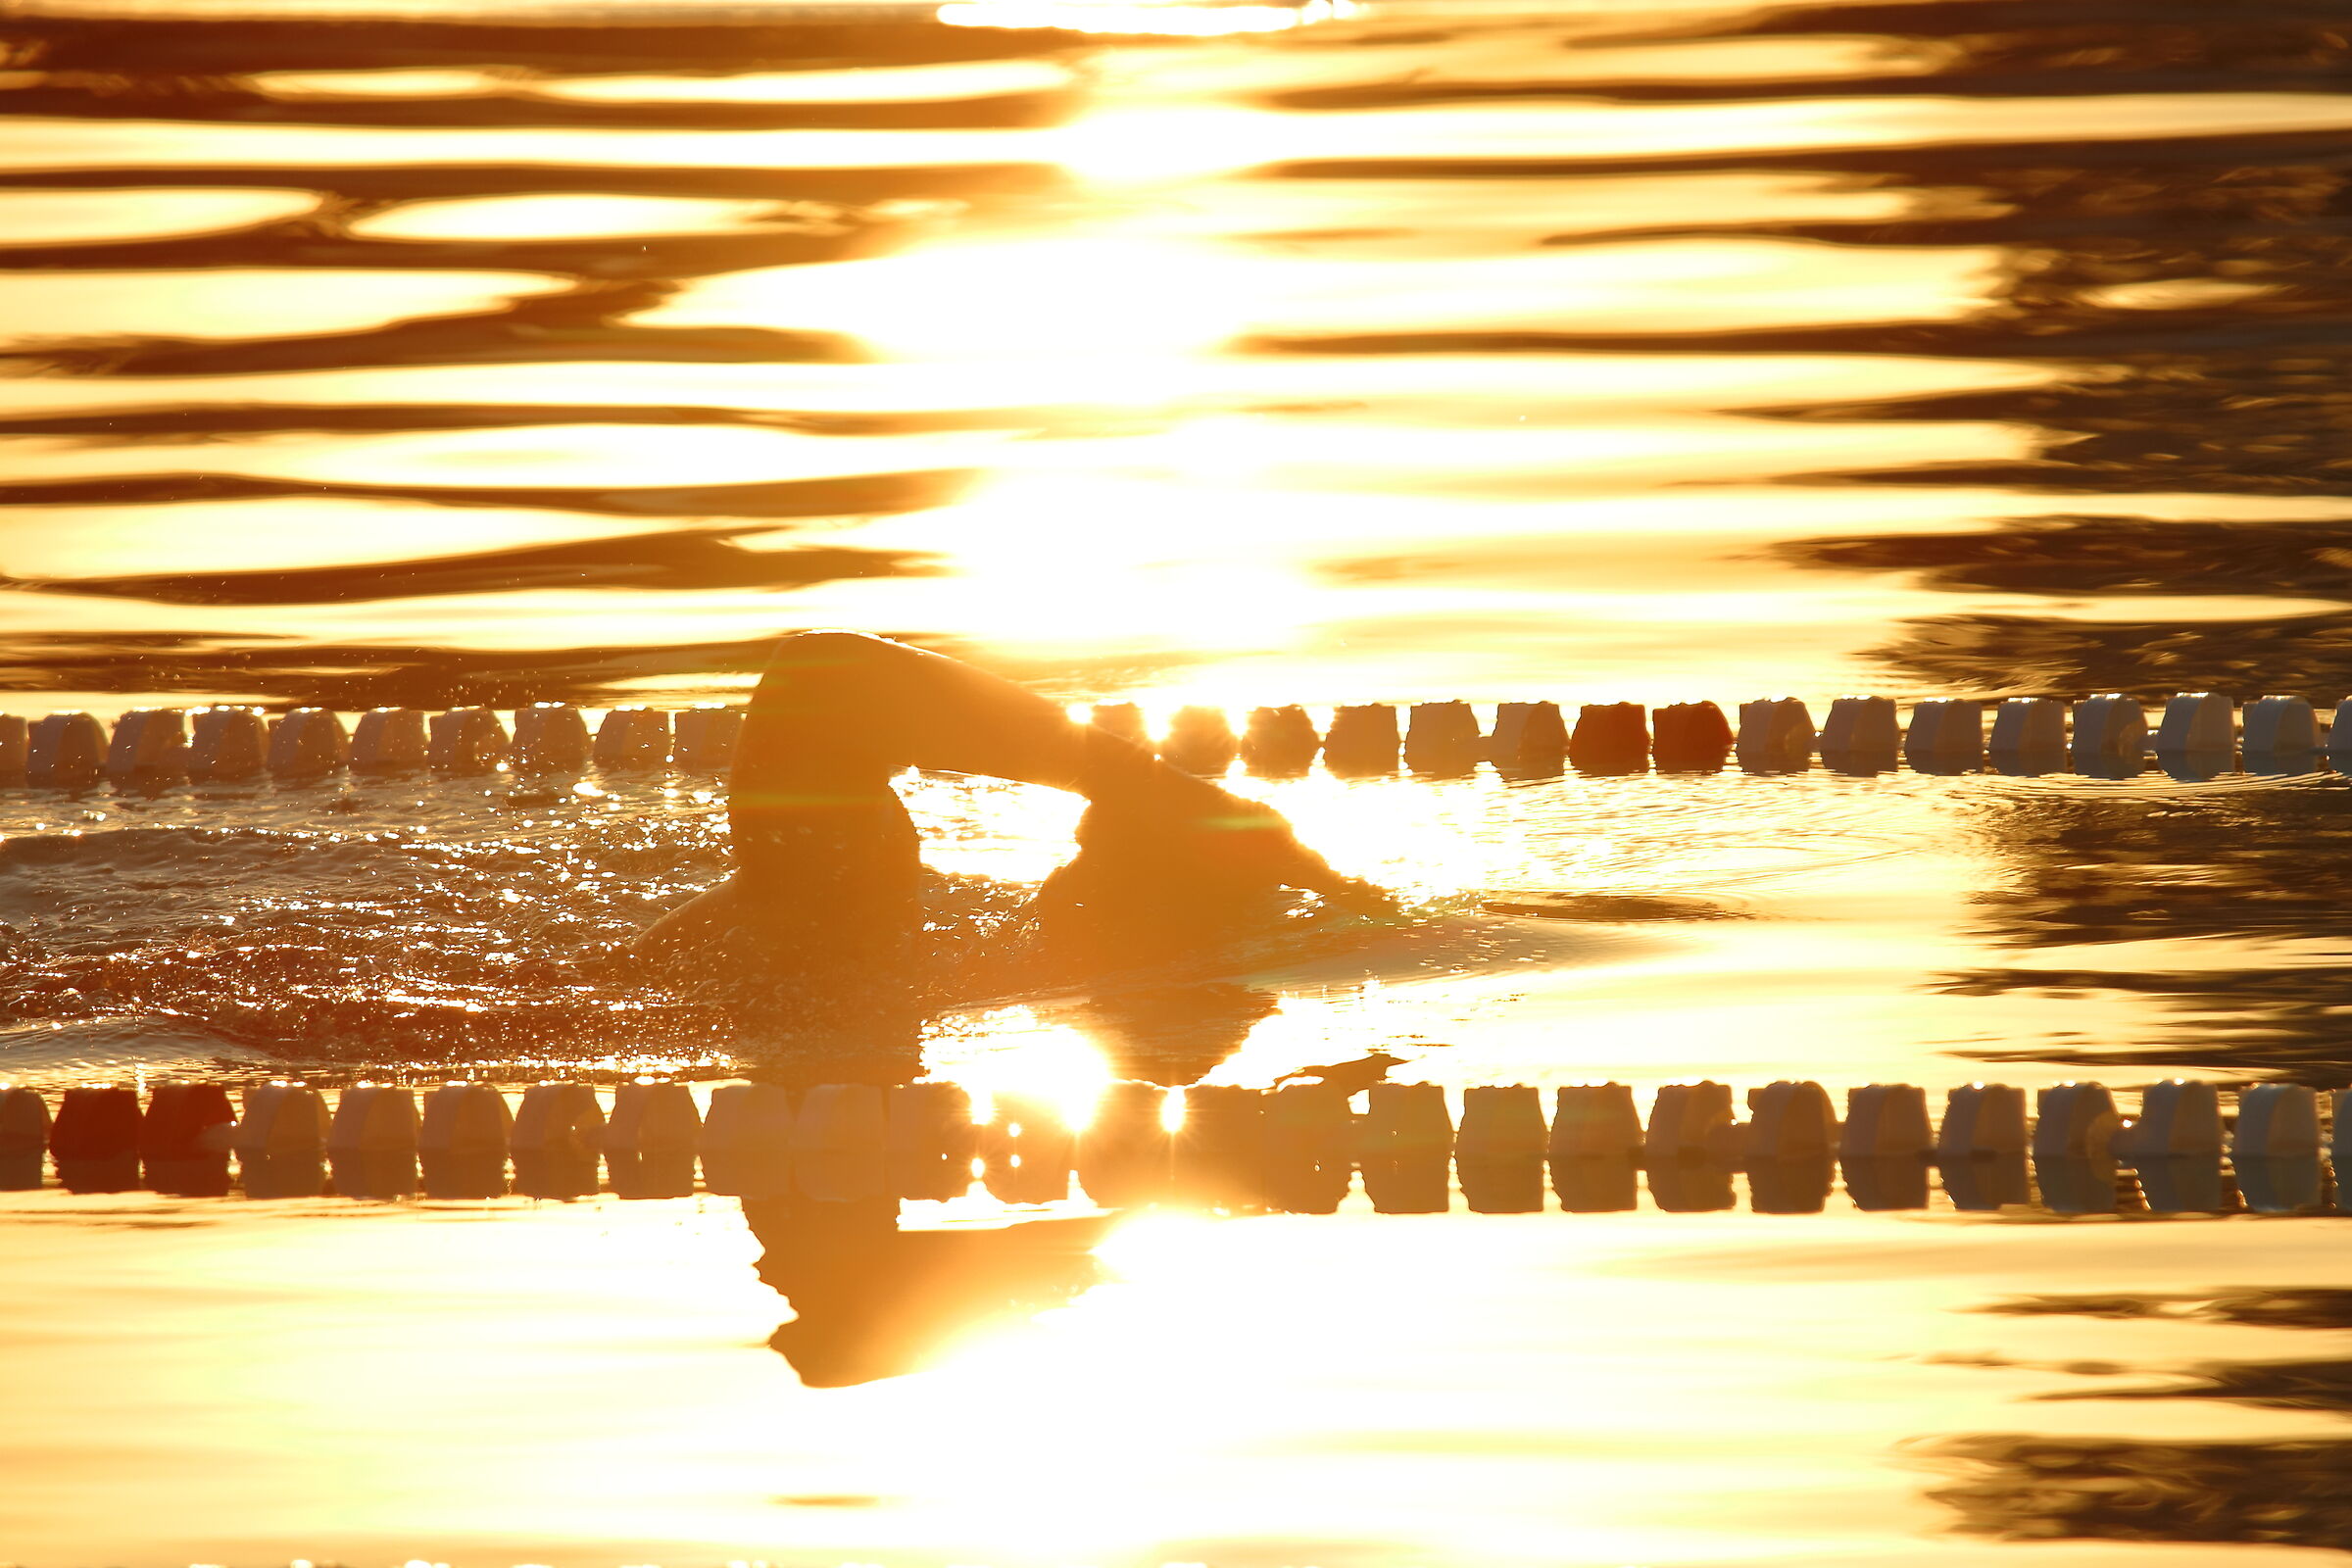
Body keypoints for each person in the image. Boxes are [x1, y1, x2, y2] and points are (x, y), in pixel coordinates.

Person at [636, 631, 1390, 983]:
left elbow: (822, 675)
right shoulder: (919, 942)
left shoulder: (850, 926)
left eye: (1095, 851)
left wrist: (1150, 785)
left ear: (1146, 912)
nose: (1068, 853)